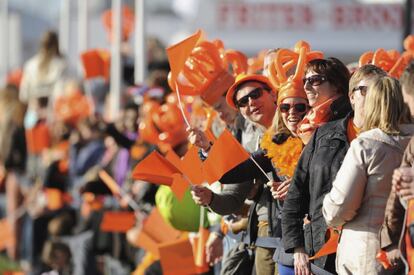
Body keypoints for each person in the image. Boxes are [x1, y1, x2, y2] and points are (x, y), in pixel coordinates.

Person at [281, 62, 386, 274]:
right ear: (351, 96)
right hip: (321, 250)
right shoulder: (323, 134)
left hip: (369, 252)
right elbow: (296, 193)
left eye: (380, 90)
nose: (374, 96)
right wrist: (298, 248)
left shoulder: (392, 140)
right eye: (366, 90)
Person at [323, 76, 414, 274]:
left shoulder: (366, 145)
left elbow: (340, 206)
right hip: (407, 248)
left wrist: (326, 209)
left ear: (371, 105)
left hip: (367, 253)